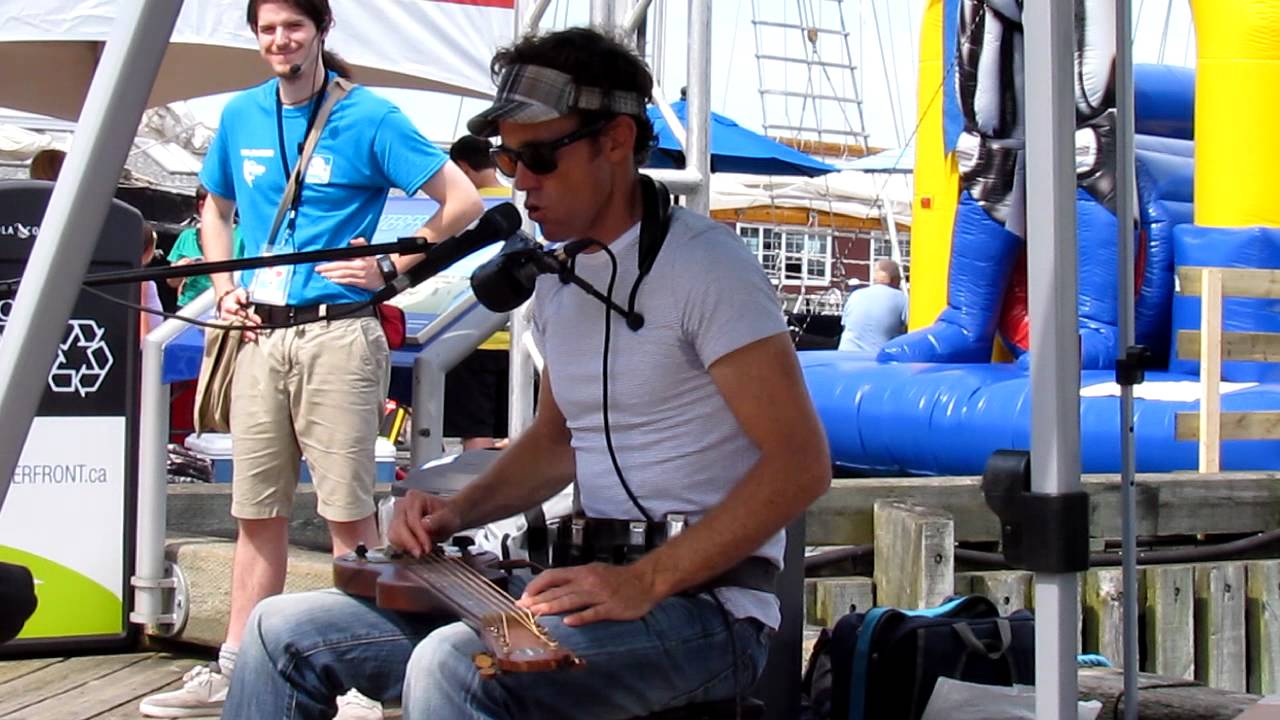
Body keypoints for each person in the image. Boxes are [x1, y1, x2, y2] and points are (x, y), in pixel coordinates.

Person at [222, 26, 830, 720]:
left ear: (617, 141)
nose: (519, 180)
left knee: (455, 668)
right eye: (508, 157)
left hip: (710, 607)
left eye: (539, 156)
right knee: (280, 634)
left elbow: (801, 466)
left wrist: (646, 581)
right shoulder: (559, 278)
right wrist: (457, 511)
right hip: (583, 583)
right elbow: (557, 441)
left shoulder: (707, 267)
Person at [138, 1, 482, 717]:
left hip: (339, 333)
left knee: (349, 512)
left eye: (292, 26)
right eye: (266, 29)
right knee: (253, 509)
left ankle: (355, 676)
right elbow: (216, 206)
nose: (279, 40)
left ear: (322, 30)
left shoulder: (371, 116)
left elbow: (463, 199)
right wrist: (225, 284)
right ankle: (234, 665)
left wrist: (395, 261)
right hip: (262, 335)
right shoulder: (241, 114)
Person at [445, 134, 512, 450]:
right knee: (514, 430)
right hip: (514, 338)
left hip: (467, 336)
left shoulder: (460, 212)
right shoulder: (518, 203)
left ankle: (472, 497)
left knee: (476, 431)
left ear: (461, 167)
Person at [167, 187, 246, 308]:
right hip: (188, 307)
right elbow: (172, 283)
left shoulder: (242, 235)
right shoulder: (187, 236)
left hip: (224, 305)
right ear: (201, 206)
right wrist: (180, 269)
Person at [837, 258, 908, 353]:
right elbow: (915, 330)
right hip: (878, 358)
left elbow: (845, 325)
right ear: (895, 279)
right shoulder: (902, 299)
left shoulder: (855, 295)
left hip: (845, 355)